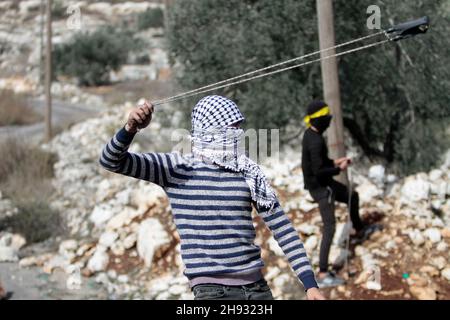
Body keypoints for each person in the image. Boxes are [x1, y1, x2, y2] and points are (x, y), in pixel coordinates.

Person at [100, 95, 324, 300]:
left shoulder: (248, 173)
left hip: (257, 289)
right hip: (212, 293)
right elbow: (111, 160)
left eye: (239, 127)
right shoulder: (175, 168)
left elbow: (283, 229)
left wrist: (310, 284)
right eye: (231, 127)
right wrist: (130, 128)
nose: (238, 133)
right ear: (209, 131)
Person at [301, 100, 372, 288]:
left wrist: (334, 162)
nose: (329, 120)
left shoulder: (311, 134)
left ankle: (358, 229)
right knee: (330, 227)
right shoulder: (315, 141)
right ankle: (323, 273)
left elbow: (321, 162)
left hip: (325, 184)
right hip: (322, 189)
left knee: (352, 196)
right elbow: (318, 171)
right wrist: (338, 169)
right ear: (319, 120)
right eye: (326, 118)